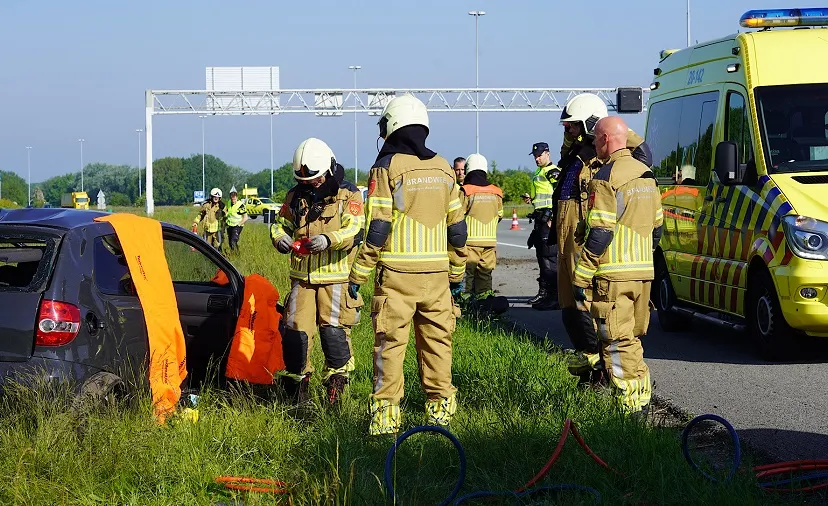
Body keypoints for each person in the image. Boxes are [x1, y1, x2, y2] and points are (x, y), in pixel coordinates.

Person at [348, 94, 467, 436]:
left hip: (397, 278)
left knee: (389, 346)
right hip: (437, 279)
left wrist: (358, 274)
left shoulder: (386, 168)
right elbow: (457, 230)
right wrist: (456, 274)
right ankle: (440, 412)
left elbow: (378, 228)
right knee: (438, 344)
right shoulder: (445, 167)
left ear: (394, 125)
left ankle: (386, 417)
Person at [554, 93, 653, 384]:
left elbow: (643, 151)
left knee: (590, 307)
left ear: (590, 124)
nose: (566, 131)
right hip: (565, 241)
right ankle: (592, 361)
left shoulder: (606, 160)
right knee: (570, 309)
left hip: (587, 241)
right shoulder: (575, 155)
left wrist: (605, 127)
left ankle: (606, 370)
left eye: (572, 125)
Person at [572, 116, 663, 417]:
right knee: (631, 339)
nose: (593, 144)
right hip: (643, 275)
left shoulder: (606, 177)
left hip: (614, 276)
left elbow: (600, 233)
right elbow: (658, 227)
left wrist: (581, 276)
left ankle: (629, 414)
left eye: (596, 138)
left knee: (614, 340)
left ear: (606, 139)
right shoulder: (647, 175)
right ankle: (641, 400)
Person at [270, 137, 366, 405]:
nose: (309, 185)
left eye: (314, 179)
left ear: (329, 169)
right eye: (304, 181)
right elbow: (279, 225)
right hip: (302, 281)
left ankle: (334, 399)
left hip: (334, 279)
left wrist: (328, 240)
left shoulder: (348, 194)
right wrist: (280, 239)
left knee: (333, 336)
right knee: (295, 337)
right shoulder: (295, 195)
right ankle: (298, 400)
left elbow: (355, 228)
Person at [522, 142, 560, 310]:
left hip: (548, 219)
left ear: (547, 154)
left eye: (539, 155)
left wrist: (553, 216)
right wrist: (530, 198)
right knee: (542, 257)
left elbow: (560, 195)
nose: (537, 158)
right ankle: (544, 293)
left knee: (549, 257)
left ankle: (555, 296)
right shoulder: (539, 171)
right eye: (535, 156)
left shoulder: (553, 172)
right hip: (540, 219)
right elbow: (542, 195)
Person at [460, 153, 503, 298]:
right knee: (485, 273)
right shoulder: (496, 192)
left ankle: (465, 303)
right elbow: (500, 214)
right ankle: (484, 302)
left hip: (470, 242)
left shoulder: (466, 191)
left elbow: (457, 215)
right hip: (490, 242)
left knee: (468, 274)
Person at [225, 186, 249, 251]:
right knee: (230, 242)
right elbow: (229, 212)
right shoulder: (229, 202)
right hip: (230, 225)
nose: (233, 198)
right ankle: (233, 254)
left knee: (233, 241)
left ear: (237, 197)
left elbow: (246, 217)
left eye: (234, 197)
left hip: (237, 226)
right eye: (232, 197)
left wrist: (239, 224)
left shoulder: (240, 205)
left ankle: (237, 254)